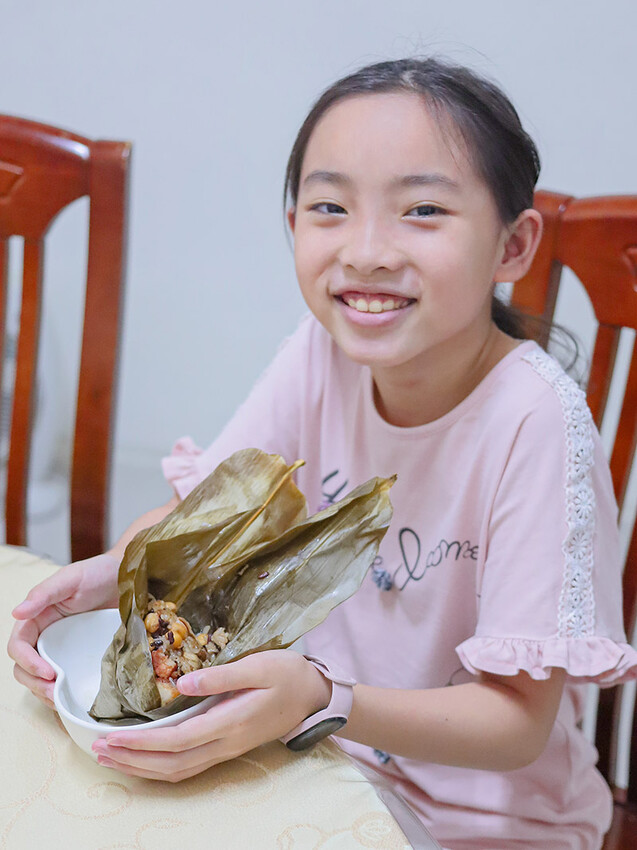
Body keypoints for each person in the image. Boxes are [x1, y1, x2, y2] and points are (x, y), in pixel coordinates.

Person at [8, 57, 637, 849]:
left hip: (482, 819)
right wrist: (102, 578)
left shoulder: (535, 424)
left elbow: (512, 725)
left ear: (512, 245)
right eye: (331, 206)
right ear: (292, 223)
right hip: (322, 755)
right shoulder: (320, 353)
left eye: (422, 210)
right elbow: (201, 517)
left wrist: (321, 695)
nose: (366, 251)